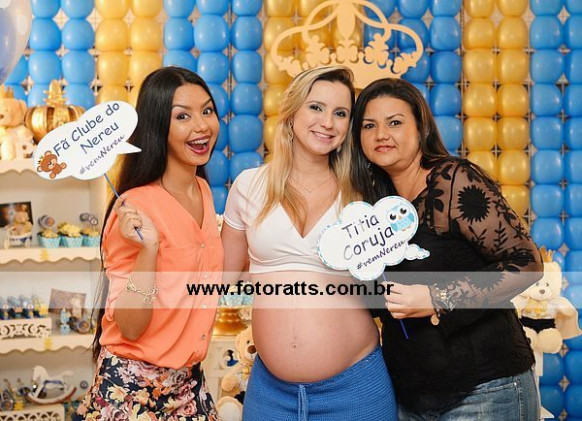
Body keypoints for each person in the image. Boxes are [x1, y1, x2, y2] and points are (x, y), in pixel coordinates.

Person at [350, 77, 543, 421]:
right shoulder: (372, 206)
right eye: (369, 125)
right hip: (410, 396)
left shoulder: (452, 180)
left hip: (485, 390)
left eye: (395, 122)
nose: (381, 134)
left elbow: (526, 263)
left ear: (420, 128)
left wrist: (438, 298)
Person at [221, 65, 397, 420]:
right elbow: (222, 276)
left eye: (340, 113)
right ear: (291, 112)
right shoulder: (249, 186)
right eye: (316, 107)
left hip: (356, 389)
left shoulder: (365, 191)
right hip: (271, 395)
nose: (327, 123)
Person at [74, 67, 222, 420]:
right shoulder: (135, 208)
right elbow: (130, 326)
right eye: (182, 116)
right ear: (157, 126)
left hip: (188, 384)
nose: (201, 126)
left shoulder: (203, 190)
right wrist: (149, 249)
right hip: (131, 388)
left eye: (207, 111)